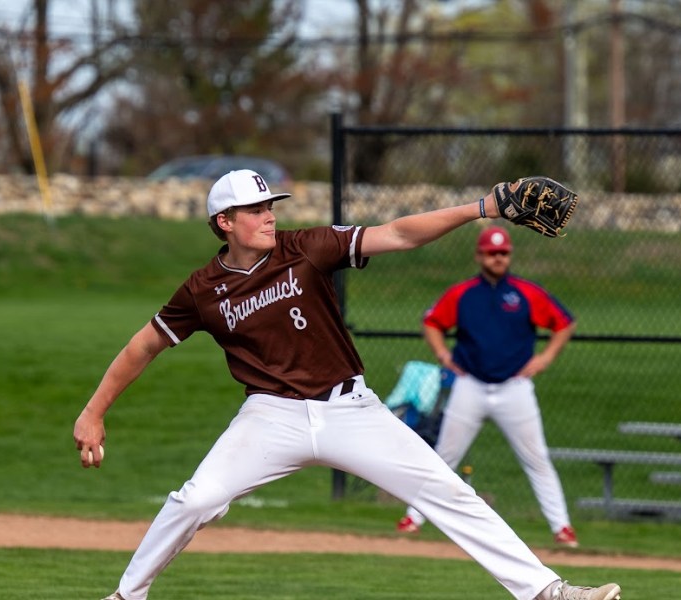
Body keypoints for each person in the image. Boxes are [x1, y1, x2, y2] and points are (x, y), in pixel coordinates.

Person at [73, 169, 621, 600]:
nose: (269, 215)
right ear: (224, 222)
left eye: (270, 206)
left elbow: (400, 234)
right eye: (256, 209)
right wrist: (94, 411)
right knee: (196, 500)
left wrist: (484, 208)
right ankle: (127, 594)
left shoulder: (307, 247)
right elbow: (143, 345)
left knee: (449, 491)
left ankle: (548, 591)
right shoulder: (202, 290)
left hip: (350, 409)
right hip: (271, 416)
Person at [396, 225, 579, 548]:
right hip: (471, 385)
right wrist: (442, 353)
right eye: (492, 252)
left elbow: (564, 322)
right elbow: (432, 321)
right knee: (444, 457)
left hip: (514, 387)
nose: (498, 257)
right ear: (479, 255)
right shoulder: (464, 293)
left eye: (503, 252)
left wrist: (546, 357)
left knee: (536, 459)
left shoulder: (525, 292)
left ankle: (562, 528)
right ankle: (413, 517)